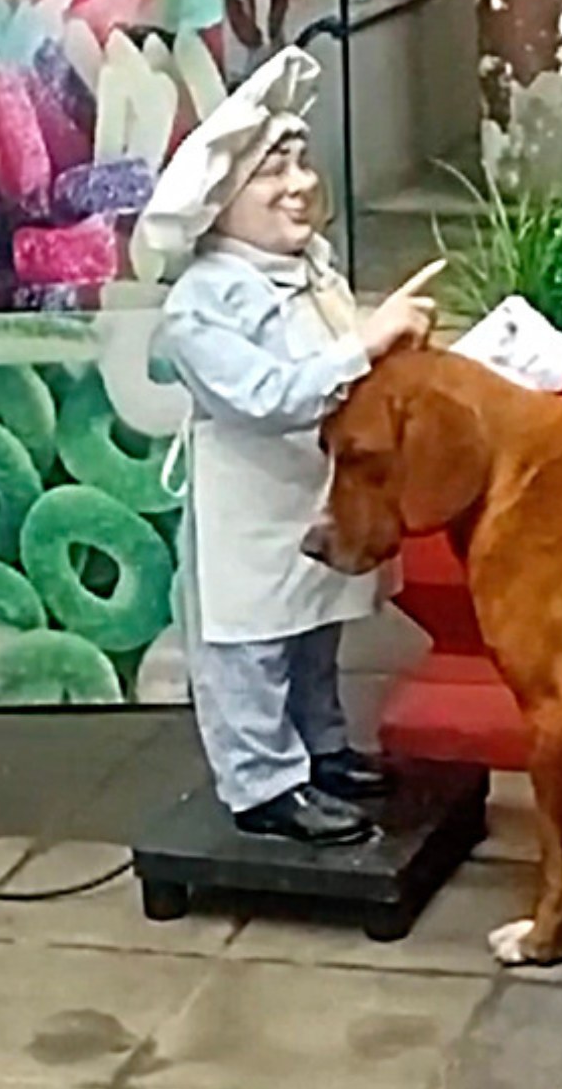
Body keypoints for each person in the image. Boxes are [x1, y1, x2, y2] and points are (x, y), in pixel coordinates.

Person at [141, 47, 436, 844]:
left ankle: (321, 747)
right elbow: (264, 395)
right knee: (250, 644)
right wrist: (364, 346)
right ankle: (262, 781)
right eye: (272, 172)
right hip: (250, 501)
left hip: (314, 488)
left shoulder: (310, 267)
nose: (300, 185)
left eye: (302, 163)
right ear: (221, 200)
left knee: (313, 627)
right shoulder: (202, 304)